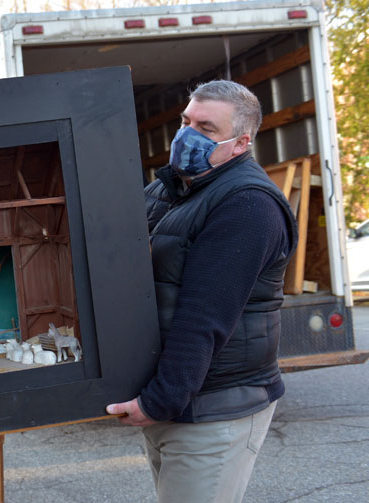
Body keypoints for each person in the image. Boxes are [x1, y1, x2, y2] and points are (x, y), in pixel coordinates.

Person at [106, 80, 298, 503]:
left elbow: (204, 317)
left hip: (215, 408)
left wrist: (160, 401)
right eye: (185, 121)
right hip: (179, 400)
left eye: (206, 128)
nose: (186, 135)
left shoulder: (248, 204)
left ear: (240, 143)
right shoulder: (171, 189)